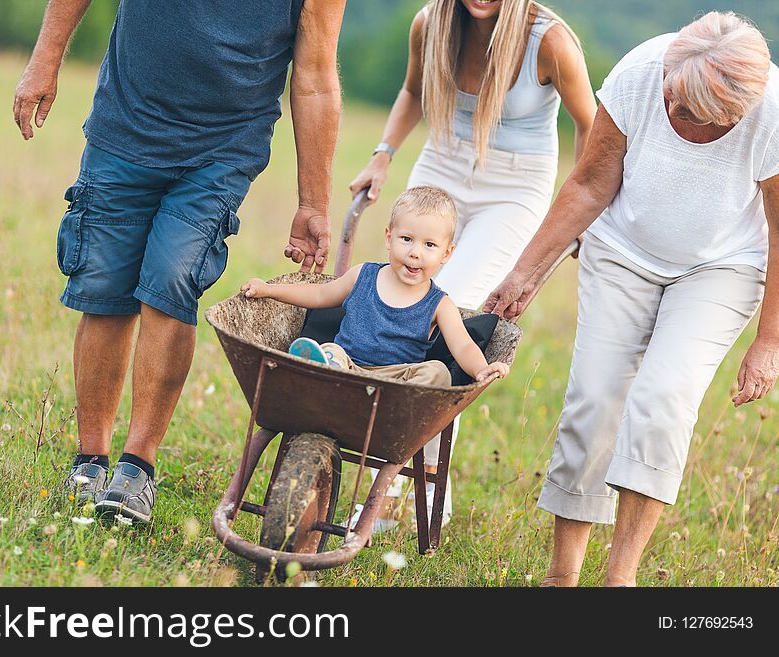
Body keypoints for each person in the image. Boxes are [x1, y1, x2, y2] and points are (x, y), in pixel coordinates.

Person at [12, 0, 345, 524]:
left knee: (172, 278)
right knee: (104, 287)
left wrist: (313, 203)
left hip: (223, 148)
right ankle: (89, 460)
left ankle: (136, 469)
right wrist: (44, 60)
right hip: (126, 123)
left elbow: (316, 77)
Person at [486, 11, 779, 586]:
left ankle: (620, 582)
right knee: (593, 399)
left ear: (733, 112)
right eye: (670, 98)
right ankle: (562, 577)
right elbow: (592, 182)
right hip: (623, 247)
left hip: (722, 266)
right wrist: (525, 271)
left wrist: (768, 341)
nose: (670, 114)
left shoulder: (771, 117)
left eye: (689, 114)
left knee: (663, 398)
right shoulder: (644, 71)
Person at [348, 0, 596, 526]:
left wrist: (582, 211)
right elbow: (414, 92)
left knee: (446, 312)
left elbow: (591, 125)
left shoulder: (549, 41)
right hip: (442, 162)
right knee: (399, 301)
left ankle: (401, 488)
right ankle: (407, 481)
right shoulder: (429, 23)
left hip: (515, 184)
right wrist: (382, 152)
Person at [241, 186, 509, 392]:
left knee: (438, 371)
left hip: (398, 380)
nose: (415, 253)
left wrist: (481, 369)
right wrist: (269, 289)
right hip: (348, 367)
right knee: (330, 350)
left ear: (446, 253)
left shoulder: (439, 304)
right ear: (389, 238)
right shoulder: (363, 275)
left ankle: (396, 407)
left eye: (429, 245)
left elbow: (462, 346)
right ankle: (318, 371)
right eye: (406, 239)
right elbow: (320, 294)